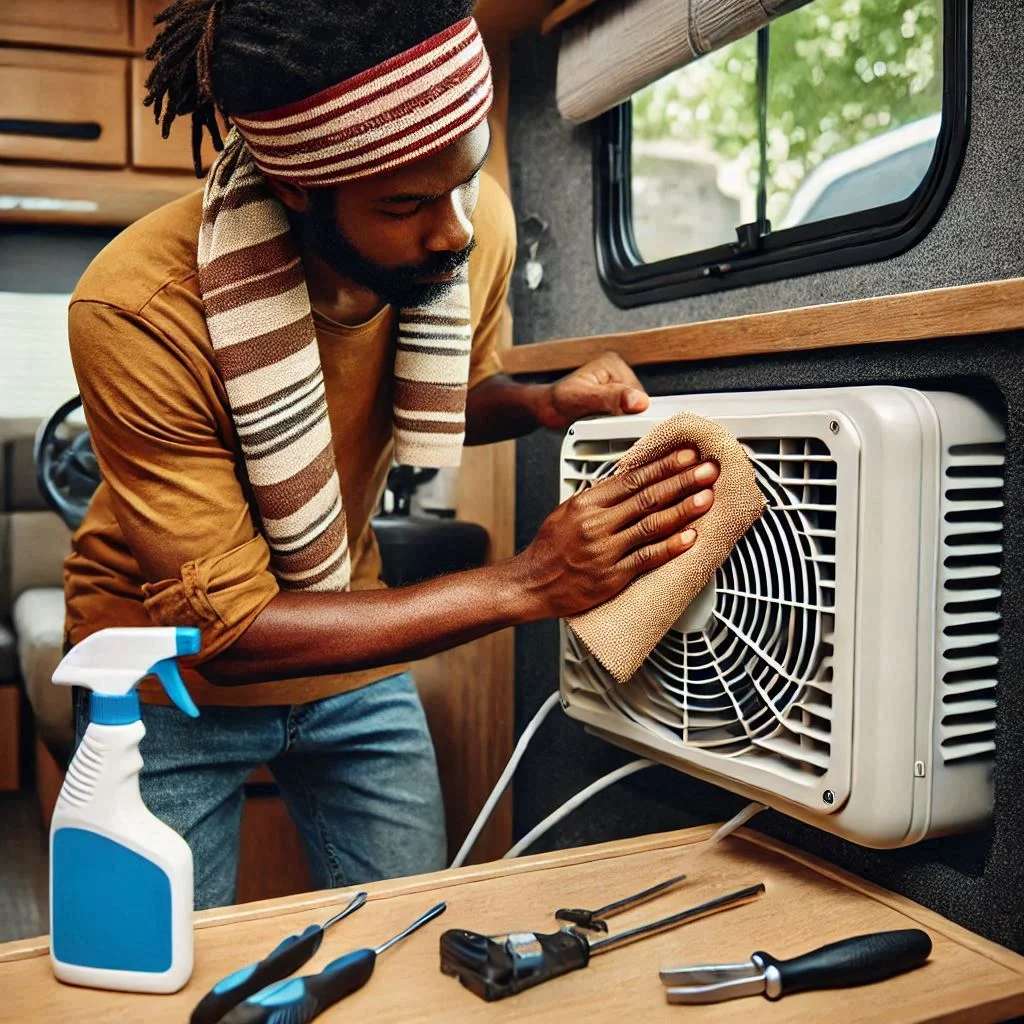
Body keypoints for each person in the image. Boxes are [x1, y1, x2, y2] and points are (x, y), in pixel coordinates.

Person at [63, 0, 719, 909]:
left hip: (347, 635)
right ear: (299, 187)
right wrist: (525, 584)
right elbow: (232, 631)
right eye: (406, 204)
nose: (450, 230)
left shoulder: (466, 227)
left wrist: (537, 404)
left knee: (410, 936)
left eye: (462, 182)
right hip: (166, 681)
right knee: (164, 975)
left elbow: (430, 400)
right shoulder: (139, 308)